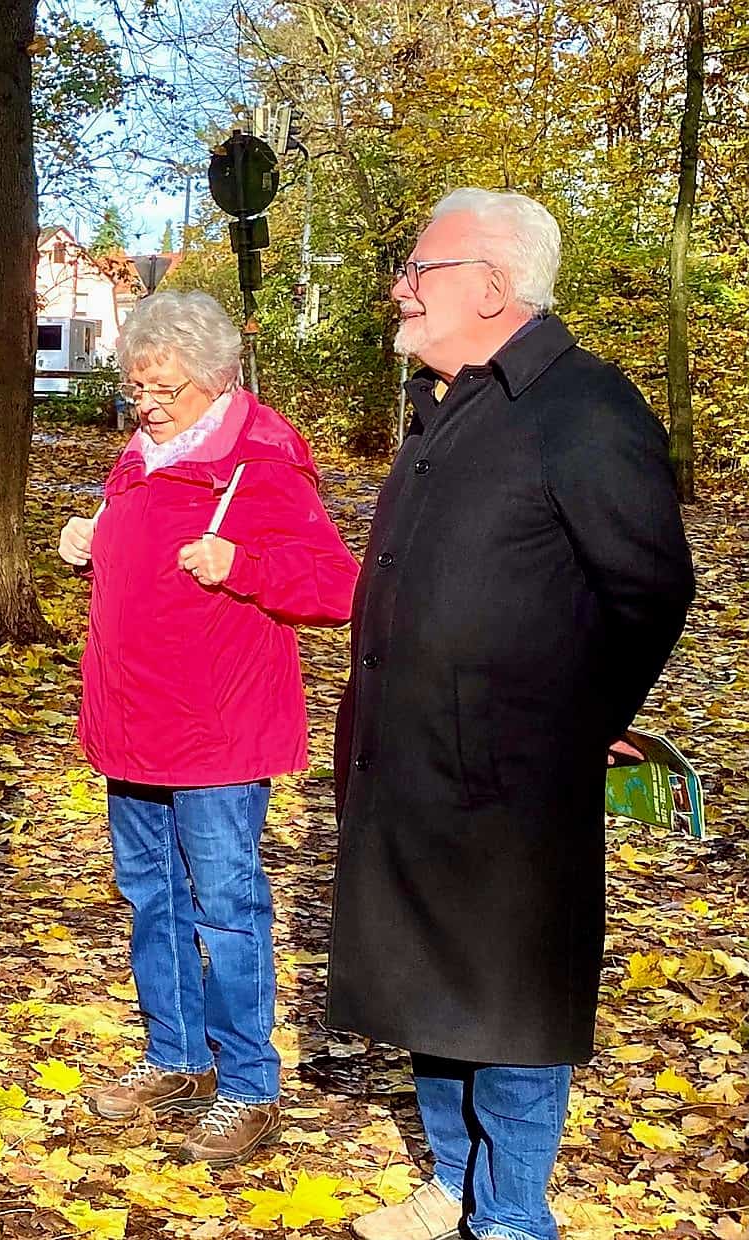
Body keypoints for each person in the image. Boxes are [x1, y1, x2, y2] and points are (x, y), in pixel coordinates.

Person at [331, 189, 694, 1240]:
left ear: (490, 288)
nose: (399, 287)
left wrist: (578, 721)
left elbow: (648, 587)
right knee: (428, 989)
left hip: (514, 784)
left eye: (418, 269)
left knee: (511, 1003)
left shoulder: (583, 409)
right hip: (408, 766)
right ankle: (451, 1185)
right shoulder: (443, 403)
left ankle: (510, 1215)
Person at [57, 290, 358, 1165]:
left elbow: (337, 589)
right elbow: (150, 569)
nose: (144, 403)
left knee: (226, 909)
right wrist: (94, 539)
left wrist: (245, 564)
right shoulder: (140, 457)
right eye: (136, 386)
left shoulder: (259, 464)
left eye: (163, 388)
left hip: (217, 733)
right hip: (133, 722)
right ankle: (176, 1059)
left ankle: (249, 1085)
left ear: (217, 380)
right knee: (151, 899)